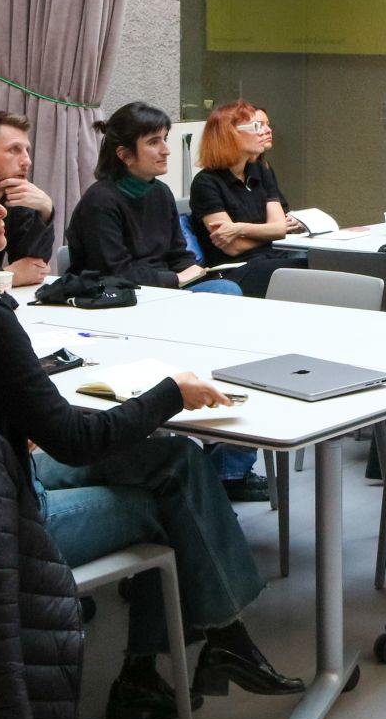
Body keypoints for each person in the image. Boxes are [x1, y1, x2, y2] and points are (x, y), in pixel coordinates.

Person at [0, 157, 298, 719]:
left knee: (175, 458)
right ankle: (184, 654)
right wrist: (172, 393)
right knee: (172, 498)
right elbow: (73, 440)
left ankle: (204, 650)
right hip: (7, 519)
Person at [66, 102, 266, 502]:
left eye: (166, 140)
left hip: (169, 299)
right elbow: (113, 271)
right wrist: (176, 279)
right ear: (125, 154)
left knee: (233, 309)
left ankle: (228, 466)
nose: (166, 150)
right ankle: (213, 470)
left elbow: (178, 252)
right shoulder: (100, 202)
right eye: (154, 142)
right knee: (227, 300)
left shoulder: (159, 193)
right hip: (123, 310)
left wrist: (193, 272)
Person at [189, 101, 306, 299]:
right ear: (230, 135)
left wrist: (239, 229)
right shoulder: (205, 183)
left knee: (320, 261)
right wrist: (268, 233)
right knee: (304, 270)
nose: (264, 132)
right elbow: (233, 247)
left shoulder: (260, 169)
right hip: (235, 269)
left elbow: (279, 229)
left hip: (271, 257)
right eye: (256, 126)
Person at [0, 110, 55, 288]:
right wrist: (7, 275)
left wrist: (45, 210)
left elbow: (34, 268)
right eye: (14, 150)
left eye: (27, 151)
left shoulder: (13, 197)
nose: (27, 161)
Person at [249, 107, 307, 236]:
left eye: (268, 125)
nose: (268, 130)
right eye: (258, 125)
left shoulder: (264, 167)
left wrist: (293, 220)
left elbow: (281, 207)